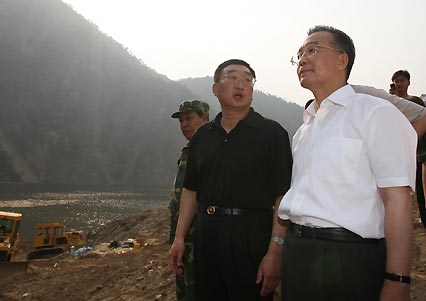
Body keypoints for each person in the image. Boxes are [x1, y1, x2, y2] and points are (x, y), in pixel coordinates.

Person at [279, 25, 416, 300]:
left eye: (313, 50)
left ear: (343, 60)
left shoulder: (376, 113)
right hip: (297, 254)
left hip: (350, 256)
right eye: (299, 54)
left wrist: (398, 280)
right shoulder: (303, 130)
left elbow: (397, 200)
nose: (303, 59)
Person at [169, 59, 293, 301]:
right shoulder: (203, 136)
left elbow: (283, 195)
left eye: (248, 79)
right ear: (216, 89)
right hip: (207, 234)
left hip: (251, 236)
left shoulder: (271, 133)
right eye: (232, 77)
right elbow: (191, 190)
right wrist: (179, 238)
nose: (241, 84)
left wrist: (275, 252)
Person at [169, 99, 209, 301]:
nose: (184, 124)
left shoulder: (212, 149)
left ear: (204, 118)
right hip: (183, 239)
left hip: (200, 239)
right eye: (181, 120)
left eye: (189, 119)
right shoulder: (188, 150)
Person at [391, 70, 426, 227]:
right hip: (400, 153)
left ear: (408, 82)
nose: (399, 84)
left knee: (421, 187)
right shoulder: (391, 103)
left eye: (401, 80)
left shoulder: (414, 102)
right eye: (396, 81)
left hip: (418, 152)